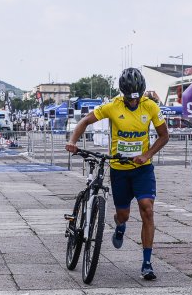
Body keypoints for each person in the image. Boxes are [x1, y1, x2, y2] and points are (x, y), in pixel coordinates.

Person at [66, 68, 169, 281]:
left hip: (142, 169)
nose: (133, 102)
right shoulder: (113, 106)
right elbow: (85, 121)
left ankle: (147, 263)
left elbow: (164, 136)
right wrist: (72, 142)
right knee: (123, 214)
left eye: (137, 98)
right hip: (119, 170)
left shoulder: (150, 106)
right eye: (129, 98)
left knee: (147, 209)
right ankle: (120, 226)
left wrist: (147, 154)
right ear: (123, 93)